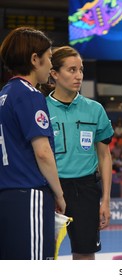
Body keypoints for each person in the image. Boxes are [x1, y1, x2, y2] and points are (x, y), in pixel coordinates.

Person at [0, 26, 66, 259]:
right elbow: (43, 153)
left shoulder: (5, 93)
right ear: (34, 59)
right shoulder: (30, 94)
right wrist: (58, 194)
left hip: (6, 195)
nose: (51, 64)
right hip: (29, 196)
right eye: (49, 57)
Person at [42, 46, 114, 260]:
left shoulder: (95, 109)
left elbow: (104, 156)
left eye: (81, 70)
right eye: (71, 70)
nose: (79, 76)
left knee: (85, 254)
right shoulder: (40, 108)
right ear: (54, 73)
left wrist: (106, 200)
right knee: (44, 255)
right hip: (50, 190)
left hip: (86, 191)